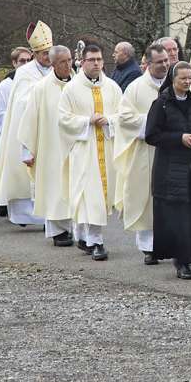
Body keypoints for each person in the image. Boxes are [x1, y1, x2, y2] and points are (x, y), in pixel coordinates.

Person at [0, 21, 54, 227]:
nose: (47, 57)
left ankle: (50, 216)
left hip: (49, 129)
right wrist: (43, 90)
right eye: (43, 53)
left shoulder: (54, 70)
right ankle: (27, 216)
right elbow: (23, 102)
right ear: (35, 53)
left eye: (49, 52)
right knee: (24, 178)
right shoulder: (25, 73)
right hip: (28, 130)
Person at [145, 61, 191, 280]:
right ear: (173, 80)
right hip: (170, 168)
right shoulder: (161, 104)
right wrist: (179, 138)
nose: (187, 82)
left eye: (189, 78)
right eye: (183, 78)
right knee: (179, 218)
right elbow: (151, 135)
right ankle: (181, 262)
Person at [59, 44, 122, 261]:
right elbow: (63, 118)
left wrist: (109, 120)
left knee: (99, 197)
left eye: (99, 59)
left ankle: (86, 236)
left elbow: (123, 115)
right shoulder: (71, 89)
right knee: (89, 196)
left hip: (106, 146)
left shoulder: (112, 87)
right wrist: (87, 121)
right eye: (91, 60)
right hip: (84, 150)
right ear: (82, 62)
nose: (96, 63)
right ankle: (96, 241)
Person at [114, 43, 169, 265]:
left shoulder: (174, 83)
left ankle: (173, 243)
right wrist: (155, 123)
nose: (165, 65)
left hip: (170, 149)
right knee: (145, 197)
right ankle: (148, 246)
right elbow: (125, 118)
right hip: (145, 150)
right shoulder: (135, 88)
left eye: (166, 61)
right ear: (147, 63)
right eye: (159, 62)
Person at [16, 46, 74, 246]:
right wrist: (28, 150)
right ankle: (58, 231)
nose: (68, 65)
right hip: (51, 148)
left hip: (76, 146)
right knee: (54, 188)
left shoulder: (78, 84)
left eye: (70, 60)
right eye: (62, 62)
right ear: (53, 64)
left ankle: (78, 229)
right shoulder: (41, 88)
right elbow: (29, 121)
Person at [0, 47, 32, 147]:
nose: (26, 64)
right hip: (12, 138)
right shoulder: (5, 86)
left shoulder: (36, 82)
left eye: (29, 60)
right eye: (22, 61)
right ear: (14, 63)